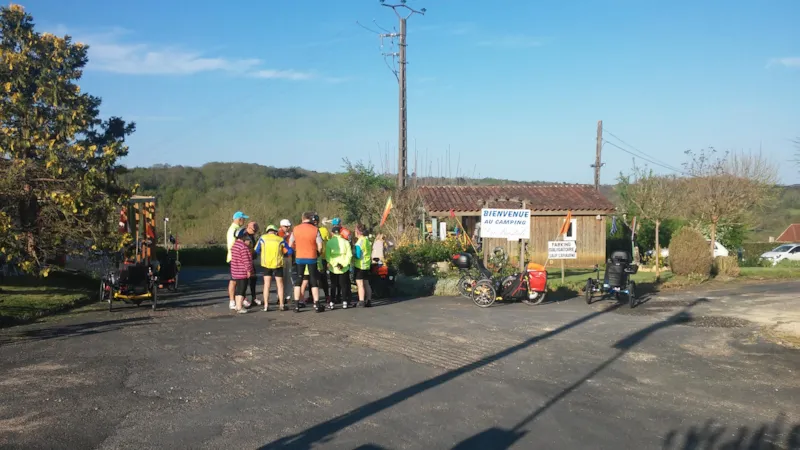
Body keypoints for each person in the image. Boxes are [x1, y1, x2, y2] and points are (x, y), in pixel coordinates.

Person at [288, 212, 324, 312]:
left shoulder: (295, 229)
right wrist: (318, 253)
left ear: (302, 218)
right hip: (312, 256)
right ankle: (317, 304)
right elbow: (320, 245)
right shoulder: (315, 229)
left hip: (299, 256)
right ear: (310, 219)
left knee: (299, 280)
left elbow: (290, 244)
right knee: (313, 279)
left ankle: (296, 304)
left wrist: (295, 251)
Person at [254, 225, 286, 311]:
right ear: (275, 231)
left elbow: (256, 250)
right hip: (278, 264)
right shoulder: (280, 239)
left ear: (267, 231)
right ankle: (282, 304)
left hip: (266, 264)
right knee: (280, 285)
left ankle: (266, 305)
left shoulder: (263, 238)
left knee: (267, 285)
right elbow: (289, 250)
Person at [326, 225, 352, 309]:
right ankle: (344, 301)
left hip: (333, 268)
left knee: (333, 285)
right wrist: (343, 264)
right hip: (344, 267)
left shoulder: (329, 242)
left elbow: (328, 256)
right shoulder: (346, 242)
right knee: (343, 285)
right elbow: (349, 255)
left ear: (332, 233)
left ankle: (332, 302)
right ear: (340, 233)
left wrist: (335, 264)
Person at [226, 211, 248, 310]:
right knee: (234, 281)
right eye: (243, 219)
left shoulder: (236, 228)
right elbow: (232, 245)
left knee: (237, 280)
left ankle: (240, 299)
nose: (244, 221)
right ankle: (232, 301)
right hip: (235, 258)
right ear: (239, 219)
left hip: (235, 257)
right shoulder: (233, 230)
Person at [230, 228, 254, 314]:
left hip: (235, 271)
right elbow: (246, 261)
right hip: (242, 272)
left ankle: (237, 305)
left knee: (238, 289)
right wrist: (249, 270)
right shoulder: (243, 247)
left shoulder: (235, 245)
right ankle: (239, 307)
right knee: (242, 290)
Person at [352, 224, 373, 307]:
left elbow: (357, 255)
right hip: (367, 264)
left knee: (360, 283)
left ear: (358, 232)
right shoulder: (366, 240)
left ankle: (361, 301)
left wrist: (352, 255)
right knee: (366, 283)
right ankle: (369, 300)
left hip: (360, 265)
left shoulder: (359, 242)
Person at [243, 221, 260, 308]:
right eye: (254, 230)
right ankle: (244, 298)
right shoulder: (244, 236)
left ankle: (254, 298)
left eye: (256, 230)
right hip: (245, 260)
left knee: (253, 279)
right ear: (248, 227)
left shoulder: (251, 236)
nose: (255, 232)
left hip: (251, 260)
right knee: (245, 280)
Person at [278, 219, 294, 305]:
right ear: (281, 226)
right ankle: (281, 296)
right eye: (286, 226)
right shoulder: (278, 234)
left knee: (288, 277)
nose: (288, 228)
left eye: (289, 226)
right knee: (281, 278)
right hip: (282, 257)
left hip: (288, 257)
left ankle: (287, 296)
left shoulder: (290, 233)